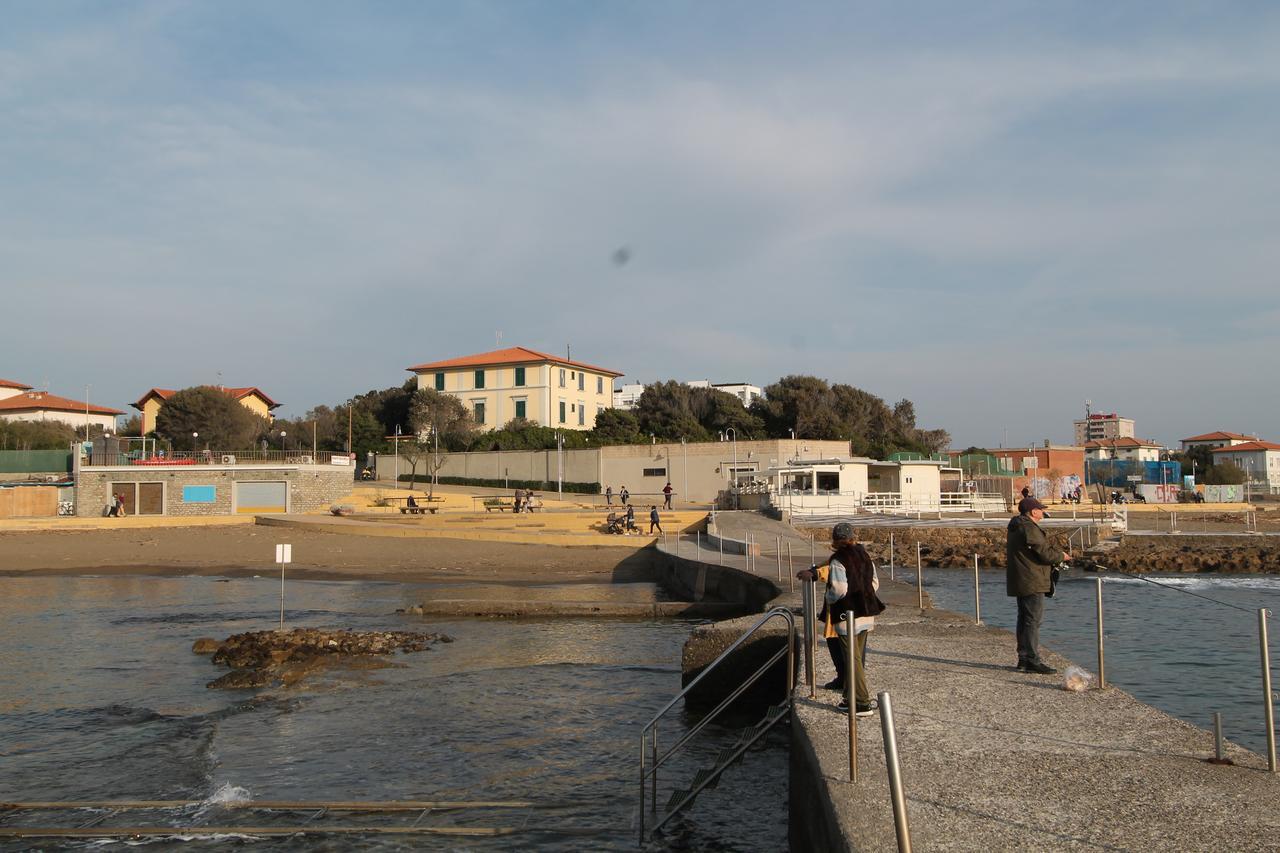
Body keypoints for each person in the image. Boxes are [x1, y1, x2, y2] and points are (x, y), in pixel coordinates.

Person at [796, 522, 883, 717]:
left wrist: (829, 599)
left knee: (852, 660)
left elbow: (839, 589)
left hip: (846, 616)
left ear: (835, 540)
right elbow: (874, 584)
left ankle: (861, 704)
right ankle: (849, 698)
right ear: (854, 536)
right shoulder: (864, 555)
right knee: (857, 657)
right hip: (867, 612)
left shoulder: (838, 559)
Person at [1006, 496, 1071, 674]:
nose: (1043, 512)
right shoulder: (1028, 527)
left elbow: (1036, 550)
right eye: (1041, 509)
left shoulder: (1017, 525)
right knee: (1032, 621)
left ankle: (1024, 659)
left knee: (1024, 619)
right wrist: (1061, 556)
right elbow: (1044, 554)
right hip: (1032, 579)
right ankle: (1032, 660)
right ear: (1033, 511)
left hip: (1022, 578)